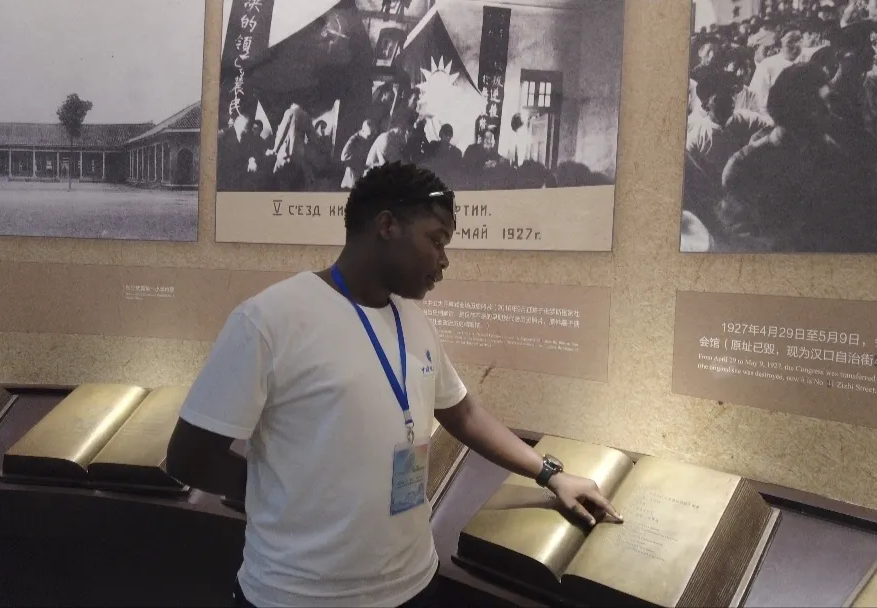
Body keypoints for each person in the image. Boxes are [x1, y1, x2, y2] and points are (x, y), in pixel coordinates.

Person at [163, 161, 622, 608]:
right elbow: (189, 456)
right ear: (387, 226)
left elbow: (463, 413)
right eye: (436, 239)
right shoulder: (269, 321)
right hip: (298, 594)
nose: (444, 260)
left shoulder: (414, 323)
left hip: (413, 585)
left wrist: (551, 475)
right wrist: (281, 494)